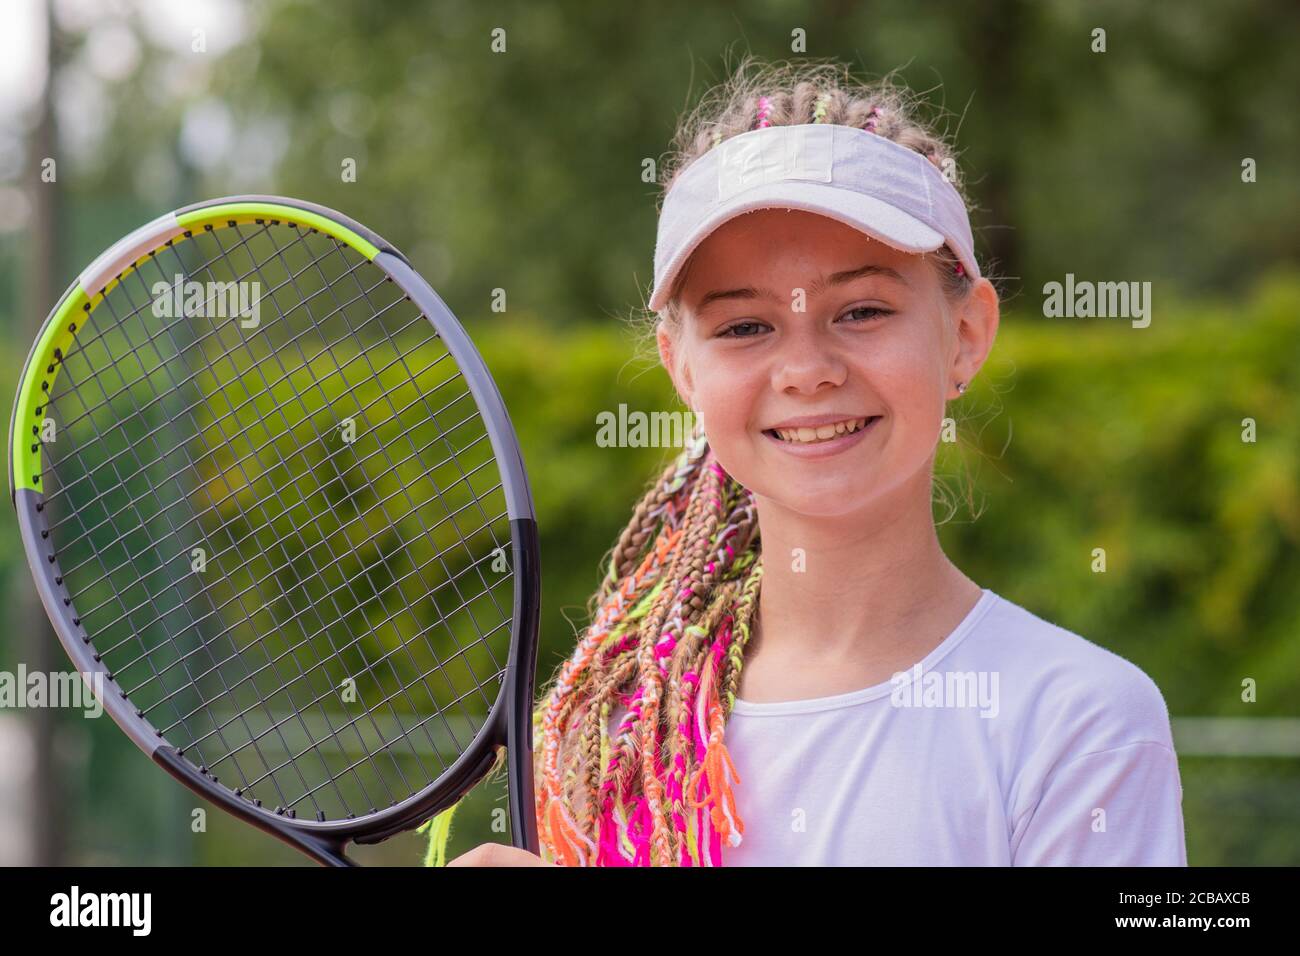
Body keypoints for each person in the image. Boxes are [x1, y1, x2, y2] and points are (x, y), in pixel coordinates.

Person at [444, 57, 1187, 867]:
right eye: (743, 328)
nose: (806, 370)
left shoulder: (1082, 722)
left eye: (862, 310)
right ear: (682, 368)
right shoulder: (623, 733)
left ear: (966, 334)